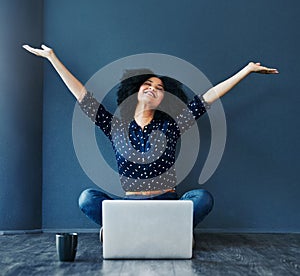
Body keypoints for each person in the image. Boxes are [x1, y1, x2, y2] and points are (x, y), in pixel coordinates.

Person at [22, 44, 279, 232]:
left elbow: (208, 97)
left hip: (167, 203)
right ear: (136, 90)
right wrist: (52, 57)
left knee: (201, 198)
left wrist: (246, 70)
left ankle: (148, 231)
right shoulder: (115, 126)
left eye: (159, 89)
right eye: (148, 84)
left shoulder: (172, 125)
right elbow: (83, 97)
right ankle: (137, 230)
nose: (153, 89)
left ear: (164, 99)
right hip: (129, 205)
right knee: (87, 198)